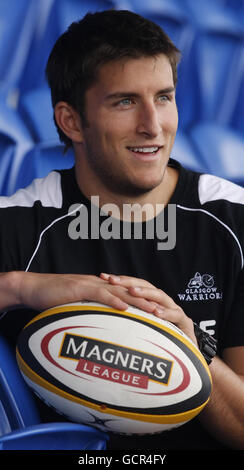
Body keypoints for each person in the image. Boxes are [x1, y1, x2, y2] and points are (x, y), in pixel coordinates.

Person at [0, 9, 244, 450]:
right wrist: (21, 288)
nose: (153, 126)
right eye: (125, 102)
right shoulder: (22, 220)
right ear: (71, 121)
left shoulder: (234, 218)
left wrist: (191, 348)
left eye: (164, 97)